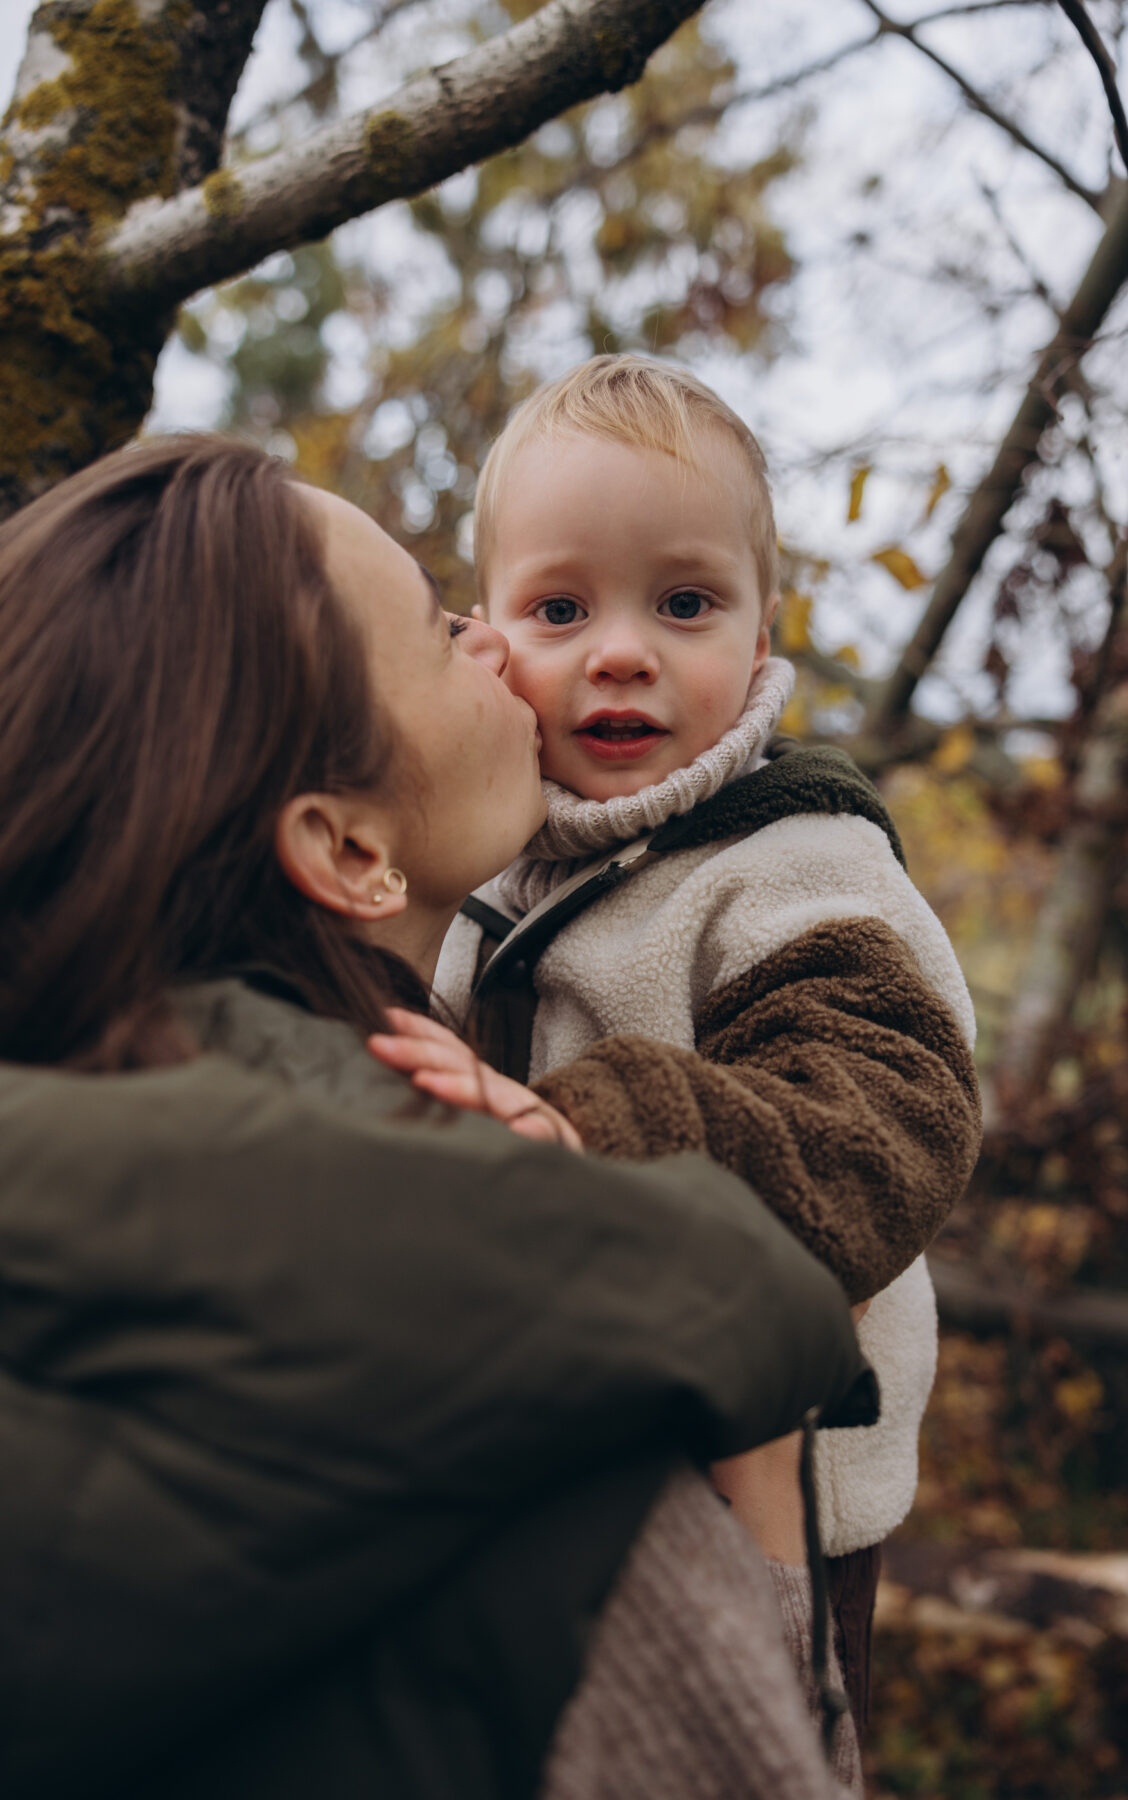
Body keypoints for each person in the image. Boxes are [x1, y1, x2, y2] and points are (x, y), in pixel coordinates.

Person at [0, 434, 876, 1800]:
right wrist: (764, 1479)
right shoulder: (544, 1382)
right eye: (443, 634)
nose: (498, 645)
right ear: (347, 849)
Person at [408, 356, 983, 1759]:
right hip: (562, 1456)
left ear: (761, 628)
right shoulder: (493, 874)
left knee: (751, 1751)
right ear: (485, 640)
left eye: (684, 604)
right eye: (560, 608)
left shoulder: (795, 862)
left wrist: (597, 1139)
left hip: (774, 1488)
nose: (621, 651)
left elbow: (881, 1112)